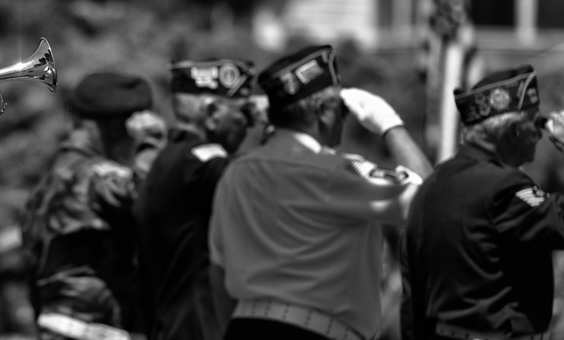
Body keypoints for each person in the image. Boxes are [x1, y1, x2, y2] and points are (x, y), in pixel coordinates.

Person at [208, 45, 433, 340]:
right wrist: (390, 125)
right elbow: (433, 203)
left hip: (243, 328)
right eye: (342, 109)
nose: (344, 118)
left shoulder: (235, 173)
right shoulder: (339, 172)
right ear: (324, 112)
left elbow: (218, 272)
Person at [401, 65, 564, 340]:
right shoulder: (504, 188)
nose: (540, 135)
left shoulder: (430, 185)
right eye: (536, 124)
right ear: (513, 132)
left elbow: (412, 297)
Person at [20, 72, 163, 340]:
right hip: (94, 330)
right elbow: (145, 196)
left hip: (60, 326)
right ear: (117, 128)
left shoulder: (53, 177)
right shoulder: (94, 176)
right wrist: (151, 141)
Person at [134, 58, 264, 340]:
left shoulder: (169, 160)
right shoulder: (202, 163)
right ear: (214, 113)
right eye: (245, 113)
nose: (248, 126)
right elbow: (267, 184)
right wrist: (282, 126)